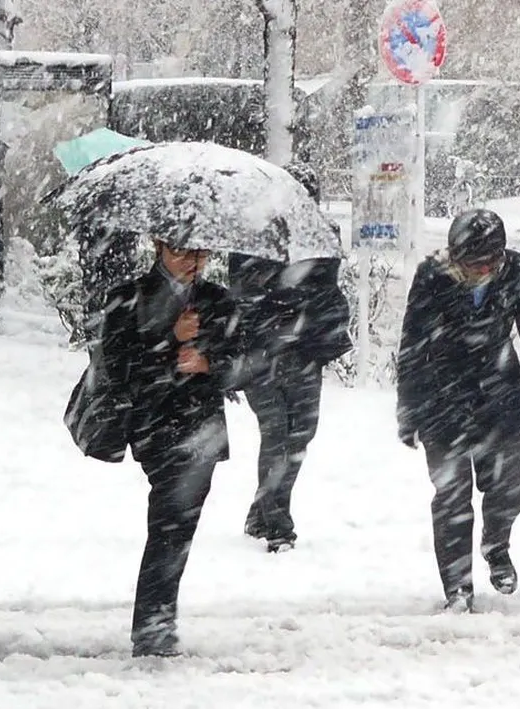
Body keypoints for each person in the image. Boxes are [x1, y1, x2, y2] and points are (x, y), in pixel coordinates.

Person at [396, 208, 520, 613]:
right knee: (451, 496)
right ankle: (457, 586)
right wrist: (408, 408)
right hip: (443, 397)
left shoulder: (519, 273)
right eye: (465, 263)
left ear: (499, 257)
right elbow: (412, 344)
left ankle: (497, 544)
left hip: (500, 396)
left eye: (483, 263)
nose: (474, 271)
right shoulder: (432, 275)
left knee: (506, 490)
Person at [96, 238, 245, 657]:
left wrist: (210, 363)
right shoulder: (129, 298)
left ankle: (157, 620)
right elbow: (117, 365)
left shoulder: (218, 301)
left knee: (178, 528)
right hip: (155, 425)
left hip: (202, 429)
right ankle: (154, 625)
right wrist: (167, 340)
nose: (193, 263)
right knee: (169, 523)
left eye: (202, 253)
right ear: (160, 247)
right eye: (184, 252)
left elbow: (243, 364)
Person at [232, 161, 352, 553]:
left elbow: (325, 290)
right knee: (276, 432)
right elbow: (245, 294)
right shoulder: (250, 235)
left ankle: (260, 509)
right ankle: (278, 524)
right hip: (261, 352)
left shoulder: (324, 235)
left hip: (305, 352)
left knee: (300, 436)